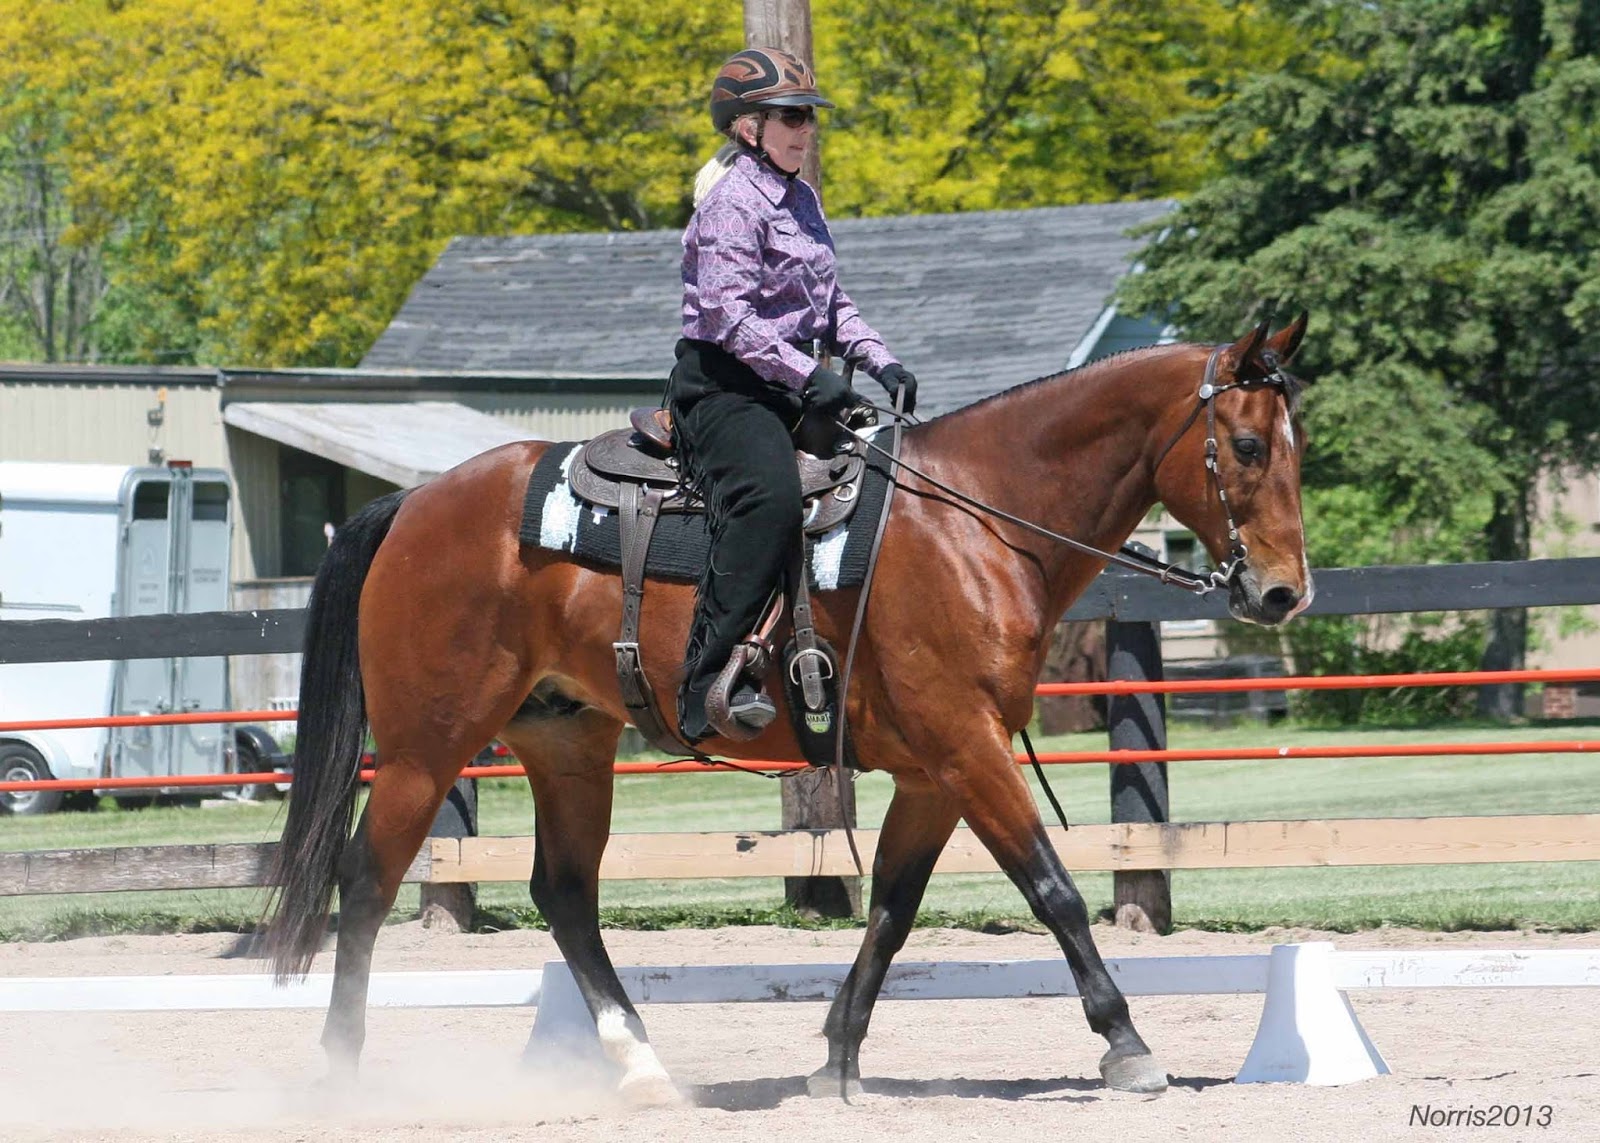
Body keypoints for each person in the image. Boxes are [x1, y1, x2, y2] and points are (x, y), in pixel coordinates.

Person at [669, 46, 918, 745]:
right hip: (724, 389)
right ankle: (705, 680)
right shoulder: (730, 203)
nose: (805, 130)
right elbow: (728, 317)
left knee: (890, 478)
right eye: (790, 117)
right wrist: (811, 378)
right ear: (749, 127)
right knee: (771, 497)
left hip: (790, 386)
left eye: (808, 117)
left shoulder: (801, 197)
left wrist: (881, 361)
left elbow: (832, 305)